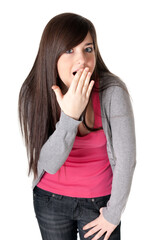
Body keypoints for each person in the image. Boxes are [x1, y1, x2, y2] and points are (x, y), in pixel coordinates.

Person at [18, 12, 136, 240]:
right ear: (52, 53)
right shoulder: (33, 93)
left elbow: (127, 159)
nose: (82, 59)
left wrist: (113, 214)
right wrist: (70, 118)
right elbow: (48, 164)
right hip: (50, 200)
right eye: (70, 50)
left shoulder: (112, 91)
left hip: (100, 202)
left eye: (88, 49)